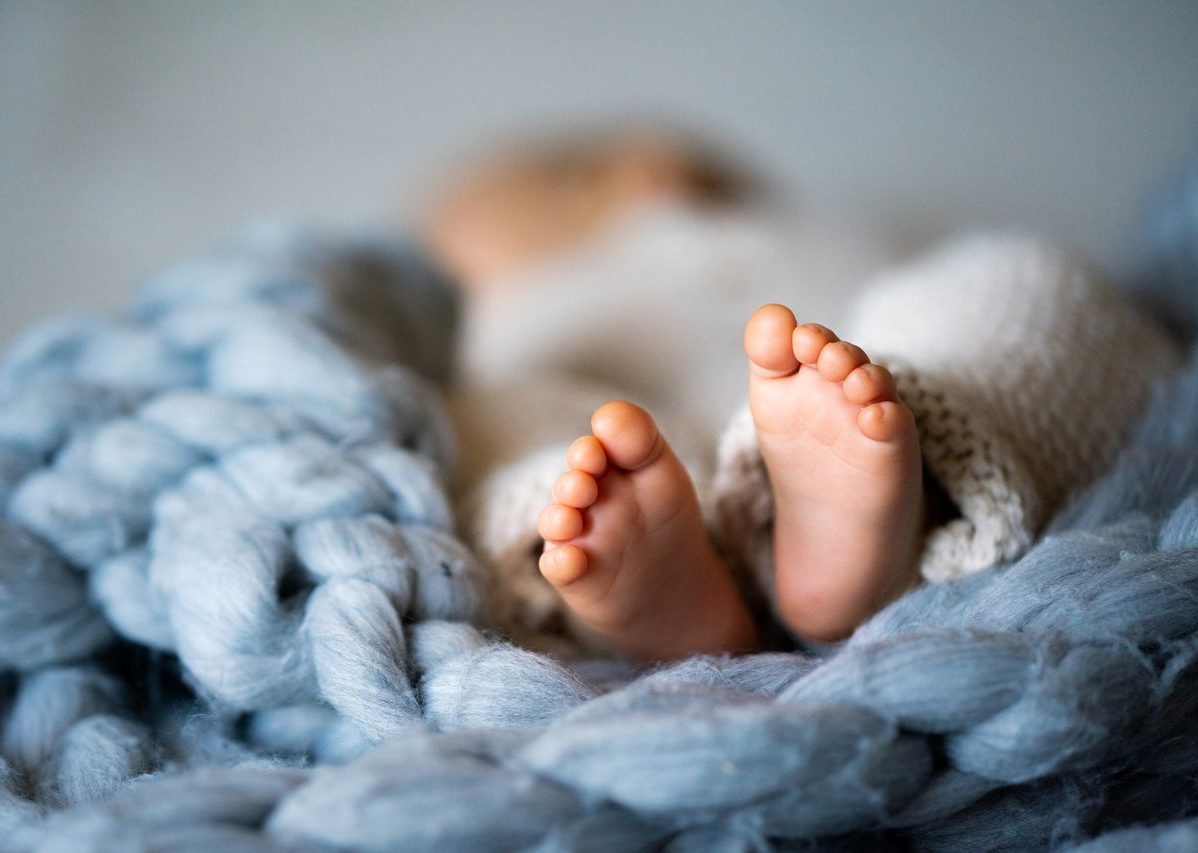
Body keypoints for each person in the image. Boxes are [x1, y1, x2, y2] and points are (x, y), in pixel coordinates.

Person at [421, 125, 1182, 660]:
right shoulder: (503, 324)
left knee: (1010, 281)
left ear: (639, 169)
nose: (449, 284)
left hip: (864, 369)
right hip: (612, 413)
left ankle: (896, 485)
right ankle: (652, 573)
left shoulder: (771, 228)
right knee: (491, 428)